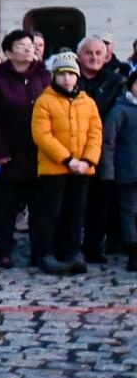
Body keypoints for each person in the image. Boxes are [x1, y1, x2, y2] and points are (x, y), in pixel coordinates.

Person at [0, 30, 52, 268]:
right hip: (9, 153)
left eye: (30, 44)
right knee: (6, 207)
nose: (29, 48)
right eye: (22, 45)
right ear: (9, 53)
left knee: (40, 207)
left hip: (39, 153)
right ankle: (4, 250)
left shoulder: (43, 76)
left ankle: (39, 252)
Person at [32, 52, 103, 275]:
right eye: (62, 74)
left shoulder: (88, 102)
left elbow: (95, 133)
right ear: (54, 76)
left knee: (76, 212)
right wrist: (67, 159)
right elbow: (42, 135)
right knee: (51, 211)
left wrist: (87, 160)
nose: (67, 79)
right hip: (55, 167)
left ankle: (72, 252)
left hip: (82, 168)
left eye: (71, 74)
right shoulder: (45, 101)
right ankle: (46, 252)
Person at [77, 34, 129, 263]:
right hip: (74, 148)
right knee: (74, 202)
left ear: (107, 55)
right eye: (89, 53)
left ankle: (94, 246)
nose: (94, 57)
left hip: (105, 149)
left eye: (99, 53)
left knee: (101, 202)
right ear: (80, 56)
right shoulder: (70, 78)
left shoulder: (115, 82)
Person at [97, 67, 137, 271]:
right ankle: (132, 250)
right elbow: (108, 142)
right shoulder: (120, 110)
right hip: (128, 171)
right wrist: (108, 171)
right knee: (129, 212)